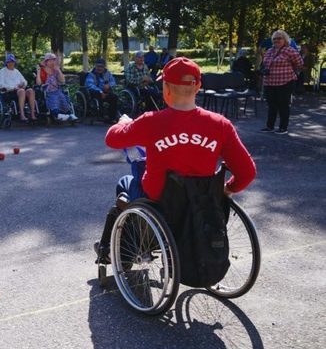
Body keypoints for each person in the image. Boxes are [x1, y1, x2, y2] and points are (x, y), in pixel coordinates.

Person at [94, 57, 256, 260]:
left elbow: (112, 139)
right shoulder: (221, 125)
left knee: (124, 183)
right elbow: (247, 172)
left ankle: (127, 249)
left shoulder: (151, 122)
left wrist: (122, 123)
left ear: (166, 88)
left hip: (159, 202)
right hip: (202, 203)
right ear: (197, 86)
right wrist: (228, 189)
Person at [260, 30, 303, 134]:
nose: (276, 40)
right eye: (274, 39)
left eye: (279, 38)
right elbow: (265, 63)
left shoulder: (290, 50)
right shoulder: (270, 50)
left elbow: (300, 63)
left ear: (285, 39)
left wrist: (290, 70)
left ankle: (283, 128)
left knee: (283, 105)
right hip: (270, 82)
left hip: (285, 81)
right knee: (271, 105)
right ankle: (270, 127)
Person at [36, 53, 78, 122]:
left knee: (63, 98)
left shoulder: (55, 70)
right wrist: (38, 73)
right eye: (50, 61)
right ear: (46, 62)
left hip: (57, 90)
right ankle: (57, 115)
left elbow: (62, 81)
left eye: (53, 60)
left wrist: (58, 70)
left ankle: (69, 114)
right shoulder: (42, 70)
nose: (52, 62)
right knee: (53, 99)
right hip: (47, 91)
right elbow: (39, 83)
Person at [0, 54, 36, 122]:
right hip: (9, 91)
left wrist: (23, 84)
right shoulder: (3, 71)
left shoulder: (16, 71)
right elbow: (0, 84)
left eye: (12, 62)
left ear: (14, 63)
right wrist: (13, 87)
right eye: (9, 62)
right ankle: (22, 114)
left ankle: (32, 114)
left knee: (30, 91)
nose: (11, 63)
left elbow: (24, 81)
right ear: (7, 63)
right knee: (21, 91)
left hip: (19, 90)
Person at [85, 58, 118, 122]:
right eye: (98, 66)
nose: (99, 68)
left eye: (101, 67)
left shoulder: (108, 73)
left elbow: (113, 82)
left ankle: (111, 117)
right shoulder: (91, 74)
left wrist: (109, 85)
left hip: (106, 92)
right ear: (95, 66)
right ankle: (101, 115)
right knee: (97, 94)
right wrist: (100, 92)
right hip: (95, 93)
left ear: (104, 67)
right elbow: (90, 85)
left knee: (114, 97)